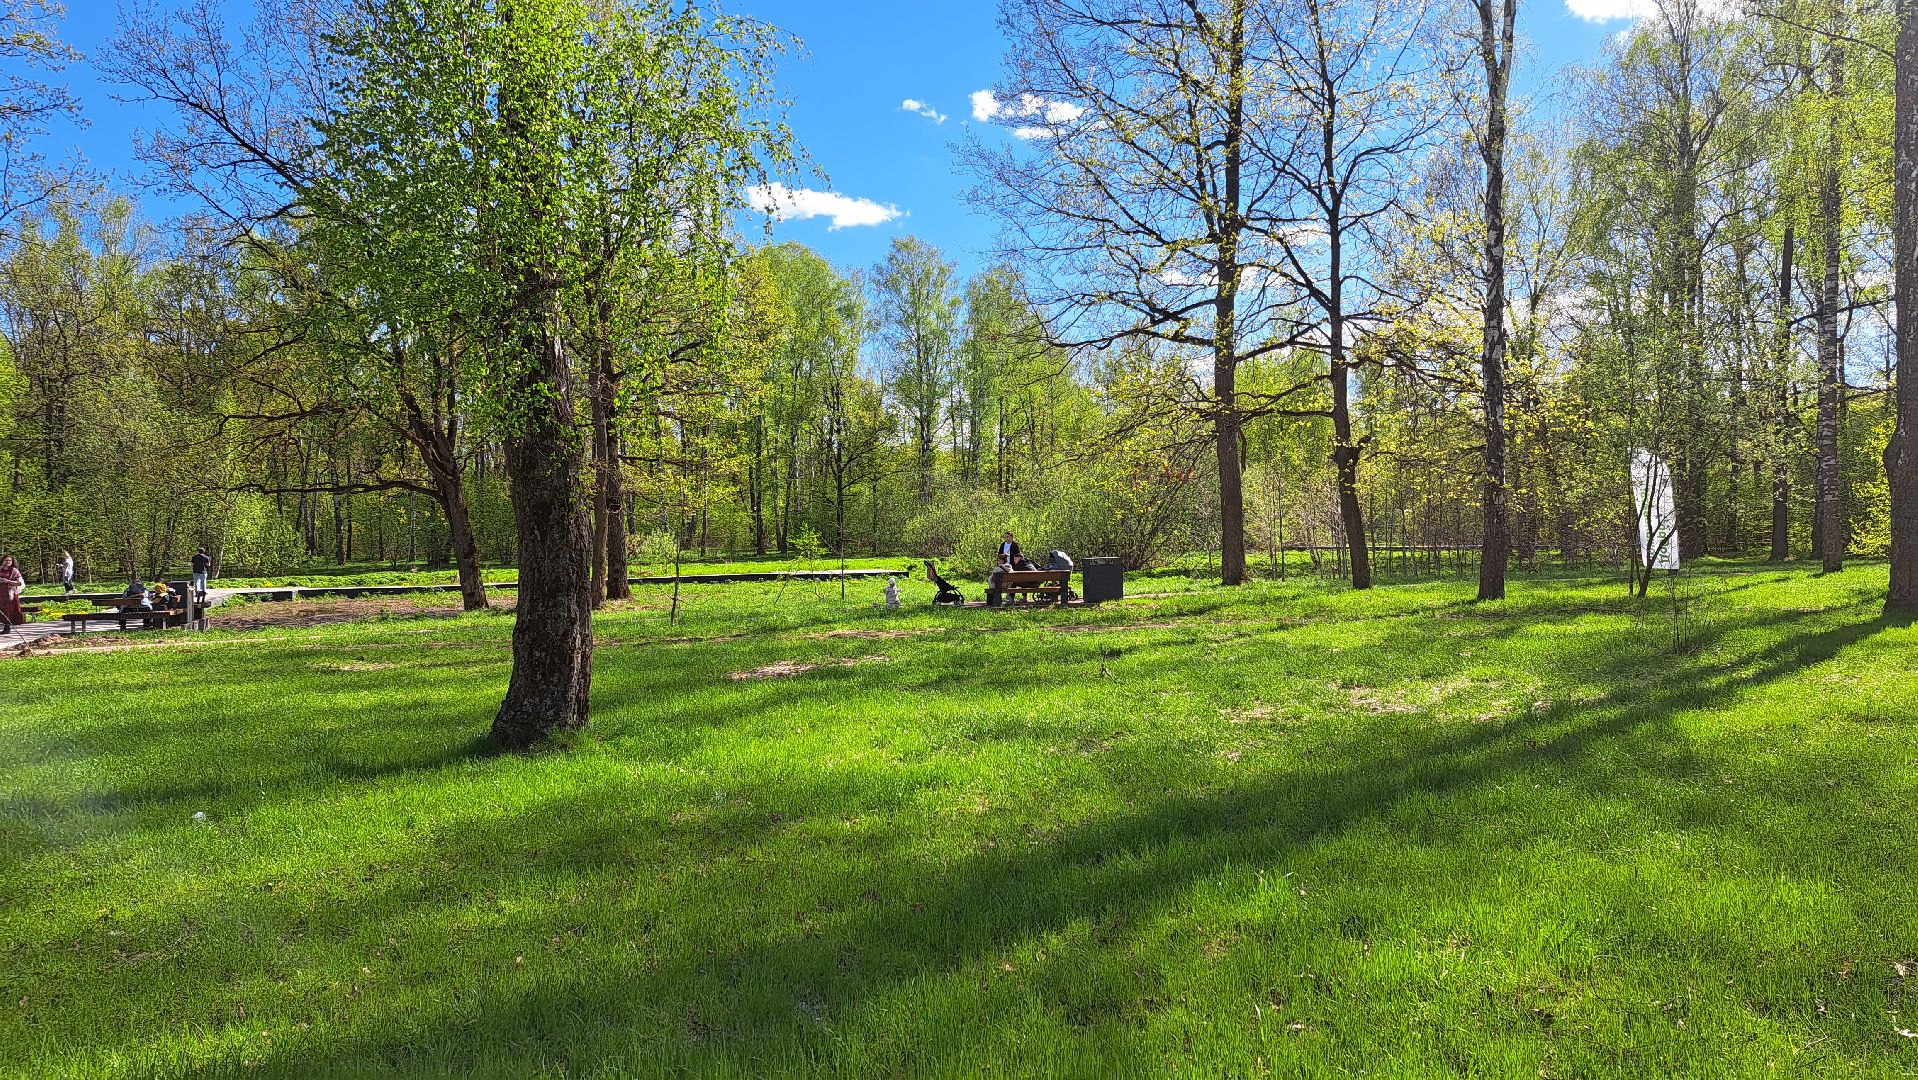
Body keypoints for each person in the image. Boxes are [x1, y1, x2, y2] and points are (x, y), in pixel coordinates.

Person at [0, 555, 24, 632]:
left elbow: (19, 583)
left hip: (10, 593)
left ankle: (7, 627)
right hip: (1, 593)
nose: (8, 562)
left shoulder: (14, 571)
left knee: (8, 610)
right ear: (3, 561)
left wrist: (7, 581)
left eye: (9, 560)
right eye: (6, 560)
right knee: (2, 609)